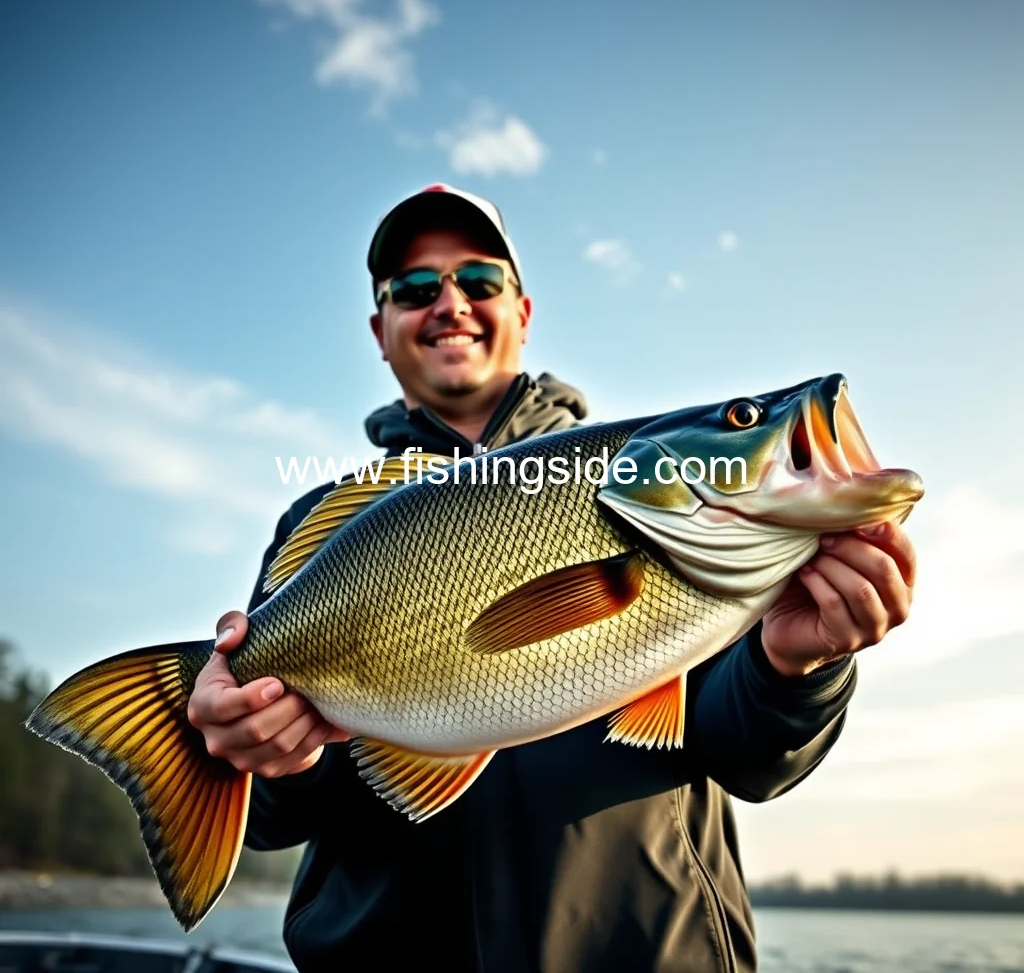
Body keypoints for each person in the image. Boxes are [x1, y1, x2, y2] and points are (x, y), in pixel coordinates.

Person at [187, 184, 916, 973]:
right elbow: (274, 808)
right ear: (381, 330)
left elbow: (746, 754)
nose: (450, 303)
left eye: (479, 280)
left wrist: (793, 667)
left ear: (522, 312)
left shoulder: (686, 531)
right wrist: (254, 748)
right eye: (416, 289)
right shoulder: (321, 524)